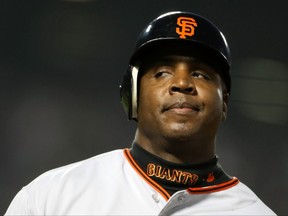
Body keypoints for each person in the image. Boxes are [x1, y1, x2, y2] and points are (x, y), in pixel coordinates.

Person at [5, 11, 276, 215]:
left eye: (200, 74)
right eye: (162, 72)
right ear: (132, 96)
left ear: (224, 102)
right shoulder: (50, 196)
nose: (182, 83)